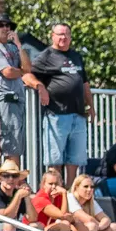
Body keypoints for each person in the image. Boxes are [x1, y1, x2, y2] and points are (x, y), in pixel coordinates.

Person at [27, 23, 94, 183]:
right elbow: (27, 75)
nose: (63, 37)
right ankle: (55, 190)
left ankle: (69, 192)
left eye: (66, 34)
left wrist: (91, 106)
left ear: (70, 37)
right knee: (55, 159)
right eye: (60, 34)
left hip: (78, 114)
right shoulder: (46, 56)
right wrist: (40, 86)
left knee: (75, 159)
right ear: (53, 36)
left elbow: (84, 83)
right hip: (57, 114)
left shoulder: (76, 56)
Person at [0, 15, 31, 162]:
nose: (5, 28)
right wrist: (22, 71)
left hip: (17, 100)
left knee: (16, 144)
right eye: (1, 25)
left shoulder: (12, 47)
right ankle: (9, 175)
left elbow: (28, 67)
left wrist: (19, 45)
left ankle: (14, 174)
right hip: (4, 100)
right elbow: (8, 72)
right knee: (9, 145)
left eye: (7, 25)